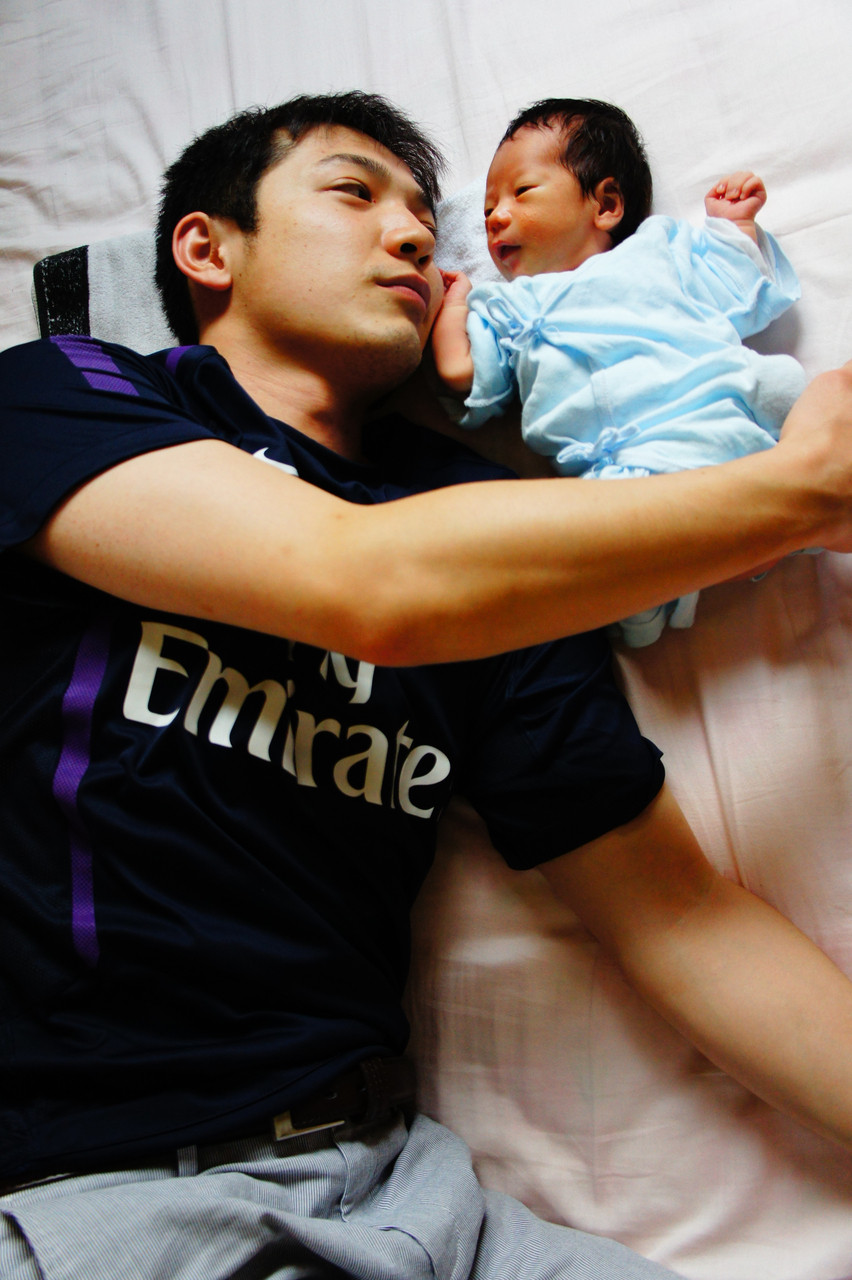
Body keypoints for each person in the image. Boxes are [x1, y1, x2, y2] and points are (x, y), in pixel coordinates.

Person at [3, 90, 852, 1280]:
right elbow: (362, 583)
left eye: (419, 215)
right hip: (106, 1192)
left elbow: (681, 920)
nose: (413, 235)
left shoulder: (480, 527)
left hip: (404, 1187)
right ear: (207, 247)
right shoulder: (64, 394)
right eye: (355, 194)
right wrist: (803, 490)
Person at [431, 98, 810, 645]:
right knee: (599, 556)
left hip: (713, 409)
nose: (494, 217)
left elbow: (740, 286)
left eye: (522, 192)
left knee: (798, 403)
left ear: (606, 204)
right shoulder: (507, 308)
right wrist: (455, 304)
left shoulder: (660, 251)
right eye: (488, 208)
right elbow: (457, 371)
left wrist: (734, 226)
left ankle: (771, 519)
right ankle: (735, 546)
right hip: (619, 477)